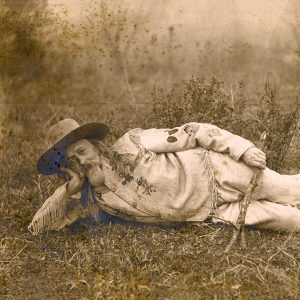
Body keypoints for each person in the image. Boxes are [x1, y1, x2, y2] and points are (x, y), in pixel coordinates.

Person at [28, 118, 300, 235]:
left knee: (290, 190)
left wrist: (243, 150)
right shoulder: (95, 200)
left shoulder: (132, 143)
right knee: (290, 220)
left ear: (95, 145)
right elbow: (37, 227)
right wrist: (69, 189)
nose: (83, 161)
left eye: (83, 151)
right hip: (212, 212)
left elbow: (191, 131)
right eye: (72, 161)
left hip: (219, 174)